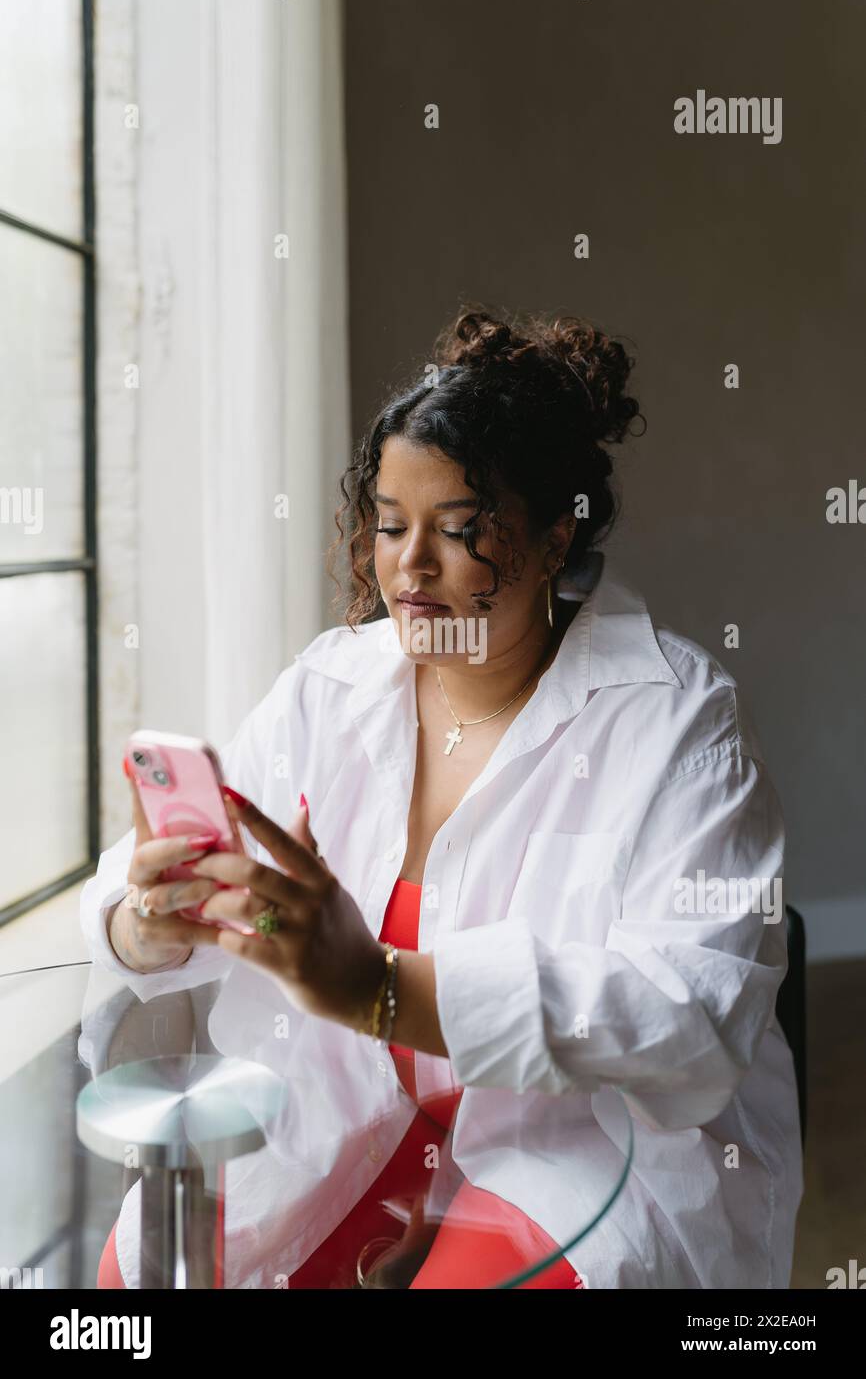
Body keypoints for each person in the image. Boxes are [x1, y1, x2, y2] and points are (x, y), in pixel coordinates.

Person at [81, 307, 803, 1289]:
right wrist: (147, 920)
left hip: (580, 1148)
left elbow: (694, 1015)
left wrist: (377, 987)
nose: (407, 569)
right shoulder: (327, 687)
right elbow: (152, 895)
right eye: (389, 524)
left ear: (555, 538)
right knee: (133, 1284)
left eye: (457, 531)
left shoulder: (677, 720)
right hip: (342, 1111)